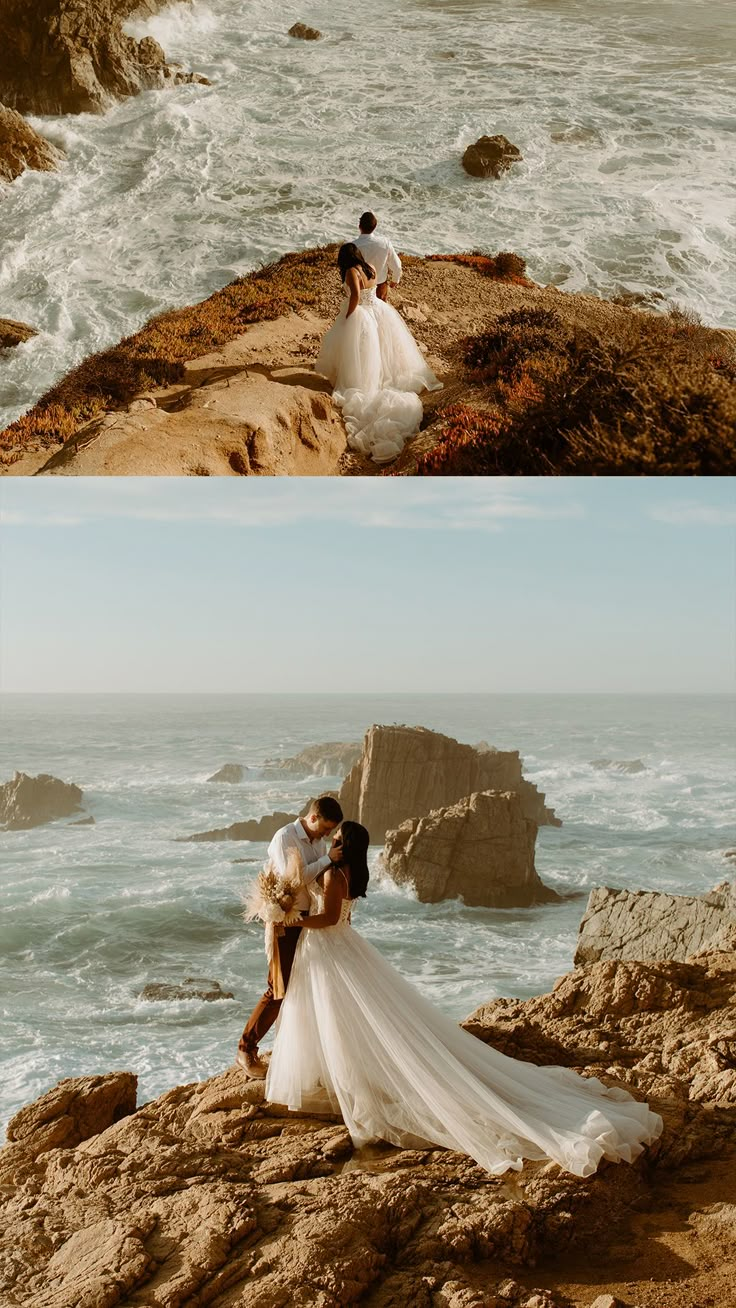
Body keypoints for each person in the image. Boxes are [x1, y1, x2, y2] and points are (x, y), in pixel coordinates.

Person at [265, 821, 664, 1178]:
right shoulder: (346, 870)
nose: (330, 844)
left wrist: (294, 919)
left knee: (342, 1020)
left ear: (345, 845)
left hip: (332, 948)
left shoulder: (336, 874)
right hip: (339, 950)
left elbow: (331, 919)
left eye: (336, 839)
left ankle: (357, 1088)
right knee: (344, 1019)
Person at [236, 794, 343, 1078]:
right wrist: (327, 860)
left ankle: (287, 1051)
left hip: (306, 923)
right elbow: (293, 881)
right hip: (285, 921)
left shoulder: (319, 842)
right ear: (312, 817)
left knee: (299, 988)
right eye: (324, 827)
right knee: (277, 989)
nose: (327, 834)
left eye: (330, 830)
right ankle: (245, 1049)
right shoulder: (285, 837)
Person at [315, 243, 442, 464]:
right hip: (378, 311)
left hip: (361, 315)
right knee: (378, 350)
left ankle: (359, 382)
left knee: (359, 352)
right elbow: (374, 288)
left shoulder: (350, 272)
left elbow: (355, 295)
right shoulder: (370, 267)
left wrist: (348, 317)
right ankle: (378, 377)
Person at [354, 210, 402, 301]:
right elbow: (397, 265)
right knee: (380, 313)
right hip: (380, 286)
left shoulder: (353, 246)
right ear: (375, 226)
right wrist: (395, 280)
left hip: (361, 287)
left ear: (359, 226)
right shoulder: (385, 243)